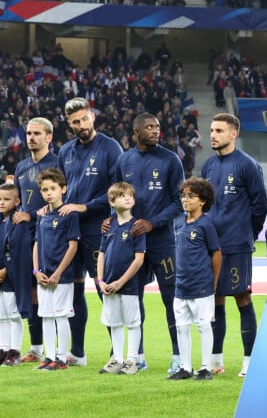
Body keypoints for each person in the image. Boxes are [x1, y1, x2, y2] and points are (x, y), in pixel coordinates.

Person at [116, 112, 185, 373]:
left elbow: (179, 201)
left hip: (162, 240)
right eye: (149, 127)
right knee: (133, 298)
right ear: (136, 132)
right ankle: (137, 356)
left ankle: (179, 356)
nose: (156, 131)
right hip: (132, 241)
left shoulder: (170, 160)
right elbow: (117, 196)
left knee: (171, 298)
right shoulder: (125, 160)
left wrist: (152, 223)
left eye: (157, 126)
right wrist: (114, 221)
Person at [57, 97, 123, 366]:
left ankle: (116, 351)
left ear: (92, 117)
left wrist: (83, 207)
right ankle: (78, 353)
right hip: (71, 231)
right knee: (73, 291)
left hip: (99, 229)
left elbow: (117, 190)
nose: (81, 125)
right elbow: (61, 189)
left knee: (104, 289)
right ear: (69, 124)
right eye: (75, 121)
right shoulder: (65, 152)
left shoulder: (110, 147)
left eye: (84, 119)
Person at [201, 113, 267, 378]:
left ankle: (249, 361)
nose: (213, 135)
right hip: (212, 245)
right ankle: (216, 360)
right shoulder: (208, 166)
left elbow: (260, 204)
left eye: (218, 130)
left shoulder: (247, 165)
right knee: (215, 300)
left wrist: (247, 233)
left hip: (237, 244)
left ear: (233, 134)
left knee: (242, 297)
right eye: (211, 130)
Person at [13, 117, 58, 364]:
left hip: (50, 234)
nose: (31, 137)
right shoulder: (21, 167)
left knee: (51, 292)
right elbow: (17, 199)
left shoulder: (58, 163)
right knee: (31, 292)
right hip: (25, 237)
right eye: (29, 133)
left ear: (48, 137)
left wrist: (30, 214)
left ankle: (62, 351)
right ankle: (37, 348)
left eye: (37, 134)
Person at [169, 177, 222, 381]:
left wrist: (213, 280)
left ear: (202, 201)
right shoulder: (178, 222)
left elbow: (216, 253)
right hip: (180, 284)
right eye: (183, 195)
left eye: (191, 196)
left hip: (201, 284)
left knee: (203, 325)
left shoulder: (206, 224)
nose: (185, 199)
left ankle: (205, 368)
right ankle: (185, 367)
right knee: (181, 327)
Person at [33, 168, 80, 370]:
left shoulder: (69, 215)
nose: (49, 193)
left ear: (63, 189)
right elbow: (37, 244)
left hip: (62, 276)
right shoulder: (41, 215)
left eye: (53, 188)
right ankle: (49, 357)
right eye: (44, 190)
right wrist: (36, 271)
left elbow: (73, 245)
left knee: (61, 316)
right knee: (46, 315)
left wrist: (58, 272)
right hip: (43, 275)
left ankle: (61, 358)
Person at [96, 182, 145, 376]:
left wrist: (120, 282)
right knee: (114, 322)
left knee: (133, 322)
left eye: (130, 195)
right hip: (107, 284)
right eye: (123, 195)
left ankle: (132, 360)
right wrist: (101, 281)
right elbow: (101, 254)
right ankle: (117, 358)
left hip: (128, 285)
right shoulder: (108, 225)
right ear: (111, 201)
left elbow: (139, 259)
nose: (128, 198)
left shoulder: (136, 226)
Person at [0, 183, 32, 366]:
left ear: (17, 201)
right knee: (2, 315)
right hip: (1, 278)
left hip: (12, 278)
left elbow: (18, 252)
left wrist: (6, 270)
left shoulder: (18, 224)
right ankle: (3, 349)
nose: (2, 203)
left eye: (6, 199)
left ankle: (14, 351)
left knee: (13, 314)